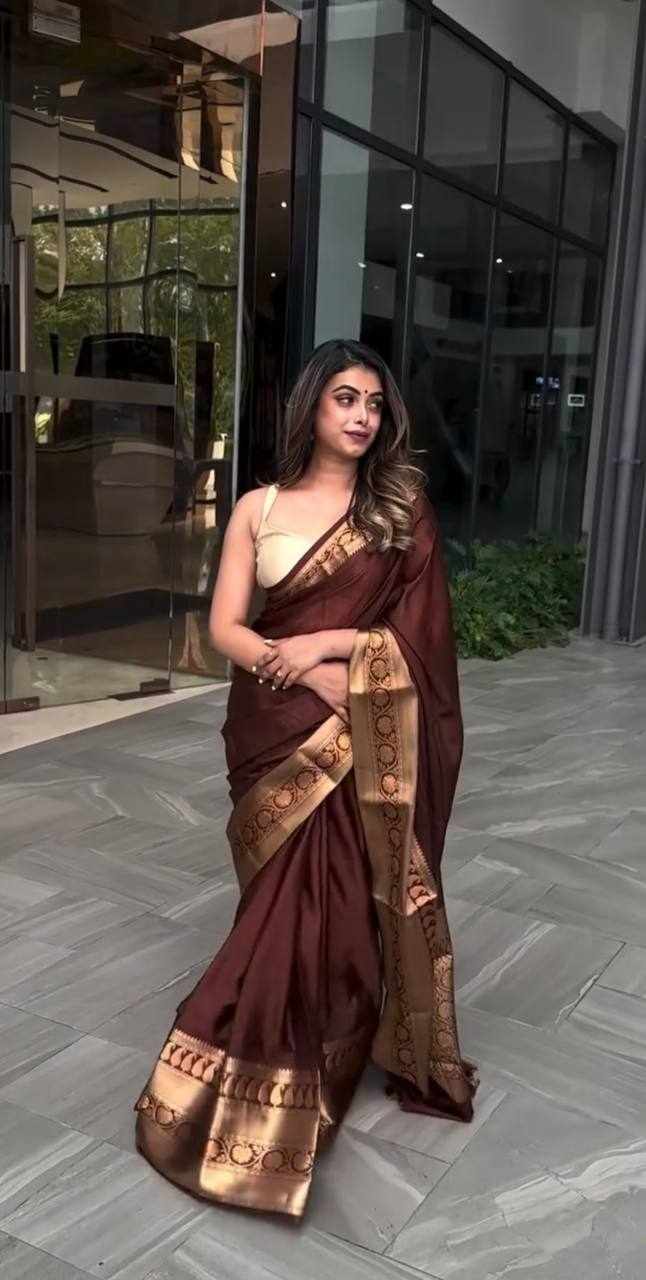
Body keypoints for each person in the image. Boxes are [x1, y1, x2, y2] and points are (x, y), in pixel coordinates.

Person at [133, 338, 478, 1217]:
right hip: (272, 726)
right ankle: (234, 1085)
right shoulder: (258, 507)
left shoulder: (397, 511)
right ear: (311, 408)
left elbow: (421, 639)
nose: (362, 416)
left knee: (335, 908)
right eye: (345, 399)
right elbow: (227, 628)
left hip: (356, 727)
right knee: (280, 903)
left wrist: (331, 653)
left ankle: (323, 1049)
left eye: (374, 402)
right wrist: (294, 670)